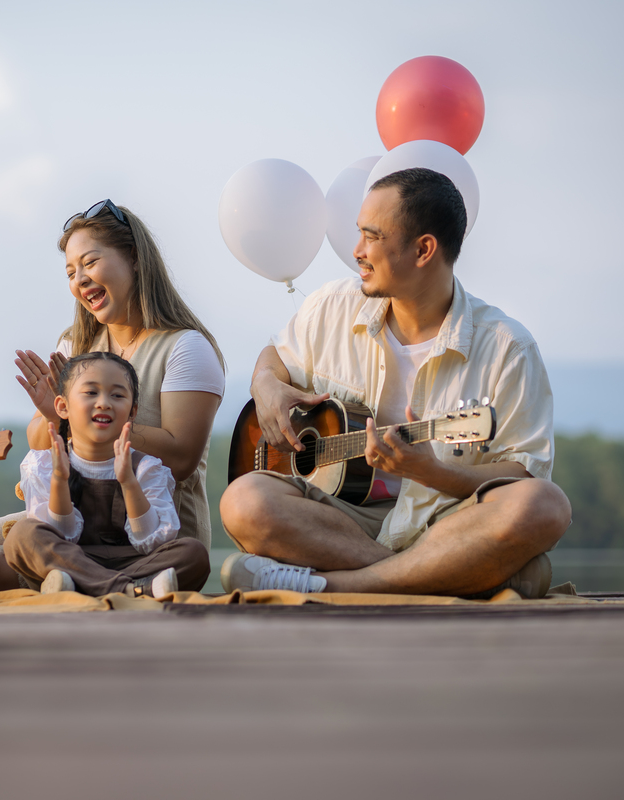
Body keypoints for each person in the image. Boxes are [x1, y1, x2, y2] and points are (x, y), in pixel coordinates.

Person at [219, 168, 572, 599]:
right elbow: (277, 355)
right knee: (244, 501)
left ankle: (335, 587)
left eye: (372, 236)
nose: (356, 251)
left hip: (449, 519)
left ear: (424, 249)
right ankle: (456, 576)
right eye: (358, 233)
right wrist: (265, 383)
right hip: (346, 518)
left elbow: (521, 473)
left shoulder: (507, 348)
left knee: (545, 505)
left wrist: (433, 472)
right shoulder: (332, 305)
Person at [0, 200, 224, 593]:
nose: (79, 279)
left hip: (151, 538)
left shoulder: (186, 347)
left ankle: (77, 583)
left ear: (134, 258)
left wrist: (85, 423)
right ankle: (119, 589)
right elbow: (38, 438)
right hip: (70, 530)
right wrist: (56, 415)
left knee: (191, 557)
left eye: (89, 263)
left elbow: (182, 457)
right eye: (71, 272)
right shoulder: (75, 345)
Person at [0, 352, 209, 597]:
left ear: (132, 413)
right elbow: (61, 537)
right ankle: (129, 590)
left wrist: (128, 482)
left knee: (193, 554)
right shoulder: (44, 464)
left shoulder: (146, 467)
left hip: (130, 562)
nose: (104, 402)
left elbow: (152, 541)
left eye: (117, 395)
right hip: (67, 558)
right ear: (62, 406)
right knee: (20, 538)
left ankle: (76, 587)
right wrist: (60, 480)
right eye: (91, 393)